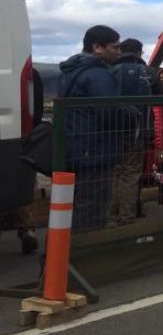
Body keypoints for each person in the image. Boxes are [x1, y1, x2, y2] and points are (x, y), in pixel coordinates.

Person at [56, 25, 129, 232]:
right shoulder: (98, 75)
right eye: (114, 47)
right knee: (93, 207)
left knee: (76, 205)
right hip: (95, 152)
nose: (118, 52)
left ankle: (65, 253)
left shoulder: (70, 72)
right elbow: (111, 113)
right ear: (97, 47)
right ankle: (85, 254)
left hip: (74, 149)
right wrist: (131, 114)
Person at [108, 38, 156, 225]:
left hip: (112, 131)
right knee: (131, 174)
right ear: (139, 52)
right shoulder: (148, 72)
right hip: (138, 130)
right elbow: (160, 94)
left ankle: (110, 216)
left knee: (114, 173)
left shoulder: (110, 71)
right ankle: (127, 217)